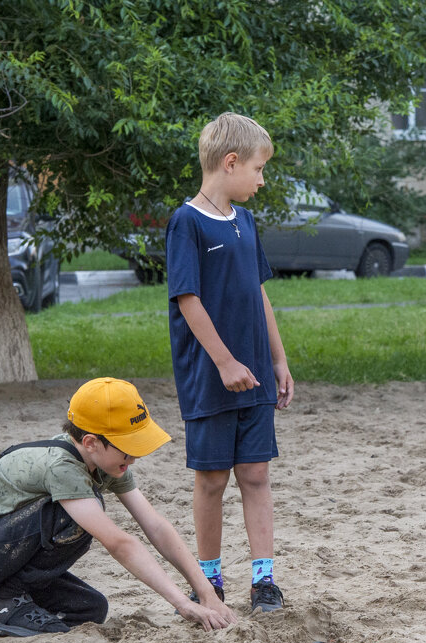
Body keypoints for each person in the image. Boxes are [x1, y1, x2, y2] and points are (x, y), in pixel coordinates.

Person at [0, 377, 238, 641]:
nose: (135, 457)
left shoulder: (104, 463)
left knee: (89, 610)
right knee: (76, 517)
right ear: (90, 442)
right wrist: (182, 604)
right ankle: (3, 602)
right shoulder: (63, 468)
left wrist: (206, 593)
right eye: (128, 449)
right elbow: (120, 543)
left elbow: (156, 526)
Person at [165, 112, 294, 613]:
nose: (262, 180)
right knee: (212, 480)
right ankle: (210, 579)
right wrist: (223, 363)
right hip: (211, 380)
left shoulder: (245, 220)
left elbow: (258, 294)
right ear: (231, 162)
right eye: (259, 169)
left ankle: (265, 581)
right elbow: (187, 299)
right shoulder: (186, 222)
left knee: (256, 476)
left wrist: (279, 359)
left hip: (256, 376)